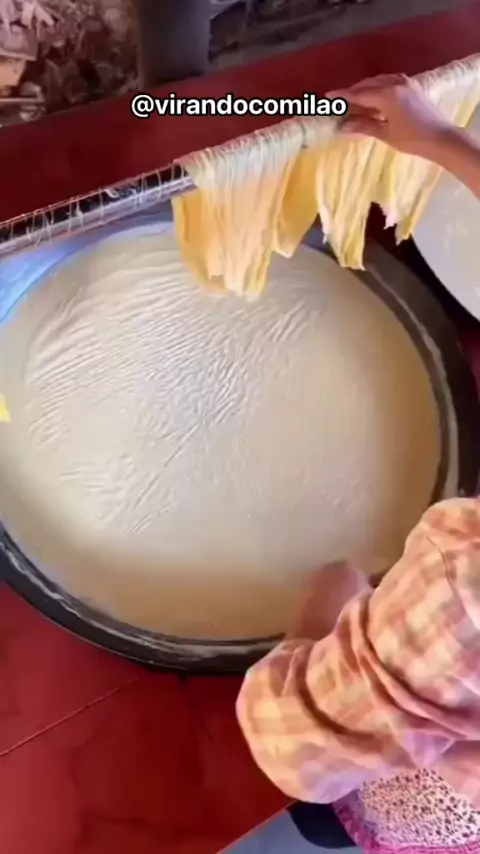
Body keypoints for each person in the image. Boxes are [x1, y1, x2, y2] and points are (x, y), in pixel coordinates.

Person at [236, 75, 480, 854]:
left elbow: (293, 746)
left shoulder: (467, 585)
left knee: (335, 804)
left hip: (447, 795)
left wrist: (330, 599)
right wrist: (443, 140)